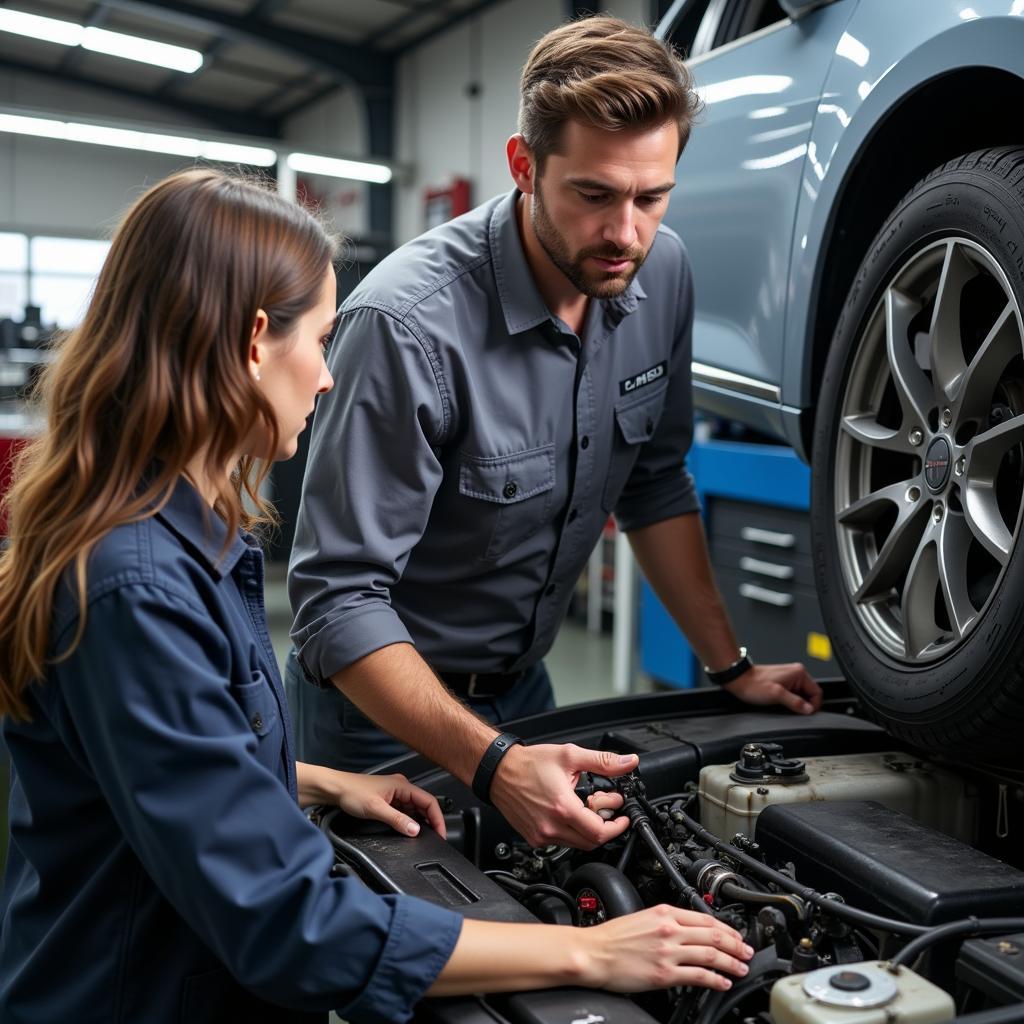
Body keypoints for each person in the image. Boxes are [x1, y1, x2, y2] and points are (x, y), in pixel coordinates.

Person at [0, 169, 754, 1024]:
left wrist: (311, 781)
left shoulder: (187, 529)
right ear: (255, 342)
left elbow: (160, 763)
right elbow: (291, 925)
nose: (325, 379)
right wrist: (592, 950)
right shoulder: (138, 585)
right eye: (320, 341)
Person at [286, 14, 824, 850]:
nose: (626, 234)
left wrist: (732, 667)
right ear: (524, 165)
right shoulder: (408, 325)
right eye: (594, 195)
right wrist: (492, 763)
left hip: (529, 694)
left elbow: (656, 483)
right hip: (379, 717)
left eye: (652, 197)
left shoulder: (665, 269)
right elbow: (337, 605)